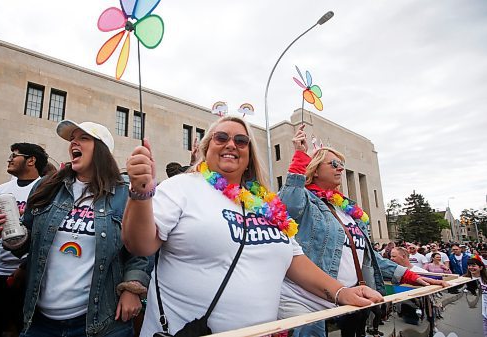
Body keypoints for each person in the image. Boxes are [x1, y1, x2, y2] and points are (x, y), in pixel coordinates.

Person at [122, 116, 384, 336]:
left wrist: (341, 292)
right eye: (221, 138)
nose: (231, 145)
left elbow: (294, 259)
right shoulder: (181, 187)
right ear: (206, 148)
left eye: (241, 140)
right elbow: (140, 244)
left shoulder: (266, 204)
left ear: (249, 153)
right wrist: (141, 193)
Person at [277, 125, 448, 337]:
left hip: (351, 304)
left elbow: (370, 258)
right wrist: (300, 158)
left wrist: (409, 275)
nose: (340, 169)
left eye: (342, 164)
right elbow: (286, 207)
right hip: (309, 303)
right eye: (334, 164)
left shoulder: (348, 210)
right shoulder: (307, 202)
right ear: (315, 169)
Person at [0, 120, 150, 337]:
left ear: (101, 149)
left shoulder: (123, 194)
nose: (74, 142)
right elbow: (26, 244)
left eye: (83, 138)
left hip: (101, 322)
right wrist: (10, 236)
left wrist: (133, 287)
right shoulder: (46, 186)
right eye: (72, 138)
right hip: (40, 321)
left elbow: (140, 248)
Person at [0, 142, 48, 337]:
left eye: (15, 155)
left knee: (22, 326)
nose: (10, 159)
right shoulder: (0, 190)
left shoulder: (45, 189)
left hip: (26, 274)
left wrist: (25, 266)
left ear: (31, 160)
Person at [463, 256, 487, 336]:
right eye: (469, 265)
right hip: (476, 311)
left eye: (473, 266)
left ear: (480, 267)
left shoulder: (485, 279)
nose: (471, 267)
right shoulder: (464, 279)